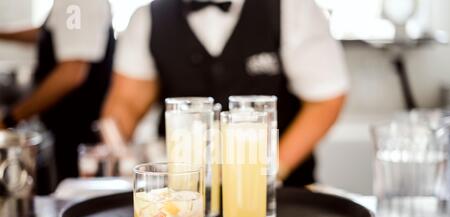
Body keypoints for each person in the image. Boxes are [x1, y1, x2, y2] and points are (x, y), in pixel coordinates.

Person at [101, 0, 349, 186]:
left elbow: (326, 99)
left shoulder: (292, 8)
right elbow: (127, 103)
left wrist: (272, 171)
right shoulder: (148, 18)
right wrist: (116, 150)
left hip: (285, 194)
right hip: (184, 194)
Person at [0, 0, 115, 183]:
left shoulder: (79, 3)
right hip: (68, 130)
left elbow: (72, 73)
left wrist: (11, 118)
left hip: (78, 134)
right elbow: (58, 35)